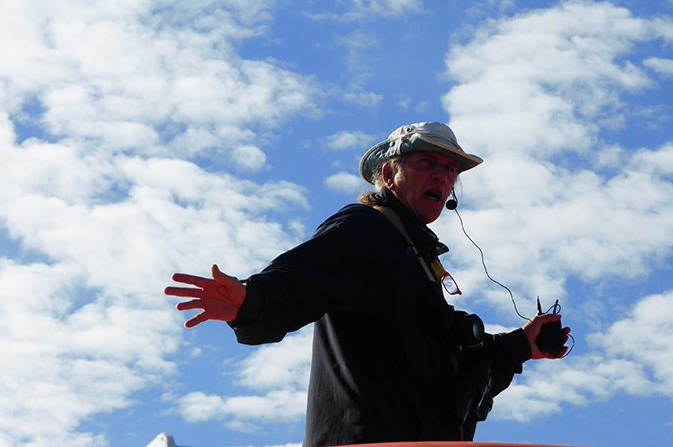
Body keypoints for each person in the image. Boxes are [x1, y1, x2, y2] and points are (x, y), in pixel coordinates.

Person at [165, 122, 569, 446]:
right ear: (390, 173)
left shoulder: (414, 256)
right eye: (428, 162)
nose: (443, 176)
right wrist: (250, 302)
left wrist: (523, 344)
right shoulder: (367, 229)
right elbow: (299, 279)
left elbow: (452, 376)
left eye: (450, 170)